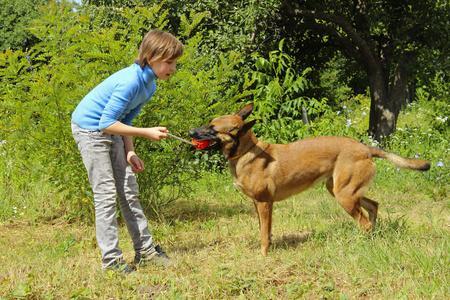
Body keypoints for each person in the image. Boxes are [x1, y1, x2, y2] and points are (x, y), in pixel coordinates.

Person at [71, 29, 183, 273]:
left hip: (112, 130)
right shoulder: (131, 81)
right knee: (106, 195)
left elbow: (125, 122)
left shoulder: (149, 85)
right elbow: (105, 123)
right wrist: (148, 132)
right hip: (90, 131)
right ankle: (111, 262)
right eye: (169, 62)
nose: (173, 68)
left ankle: (146, 251)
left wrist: (130, 152)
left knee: (129, 191)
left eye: (175, 63)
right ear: (152, 57)